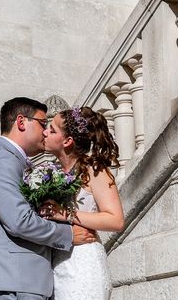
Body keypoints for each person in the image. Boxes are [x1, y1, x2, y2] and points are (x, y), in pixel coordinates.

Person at [0, 97, 97, 300]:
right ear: (21, 122)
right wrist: (68, 234)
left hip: (22, 280)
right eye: (42, 124)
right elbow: (20, 222)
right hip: (13, 282)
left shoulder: (12, 160)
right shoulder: (1, 161)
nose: (45, 131)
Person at [41, 106, 125, 300]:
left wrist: (66, 214)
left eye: (52, 129)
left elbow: (116, 220)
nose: (45, 131)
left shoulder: (94, 170)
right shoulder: (50, 173)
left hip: (83, 265)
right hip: (57, 265)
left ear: (67, 141)